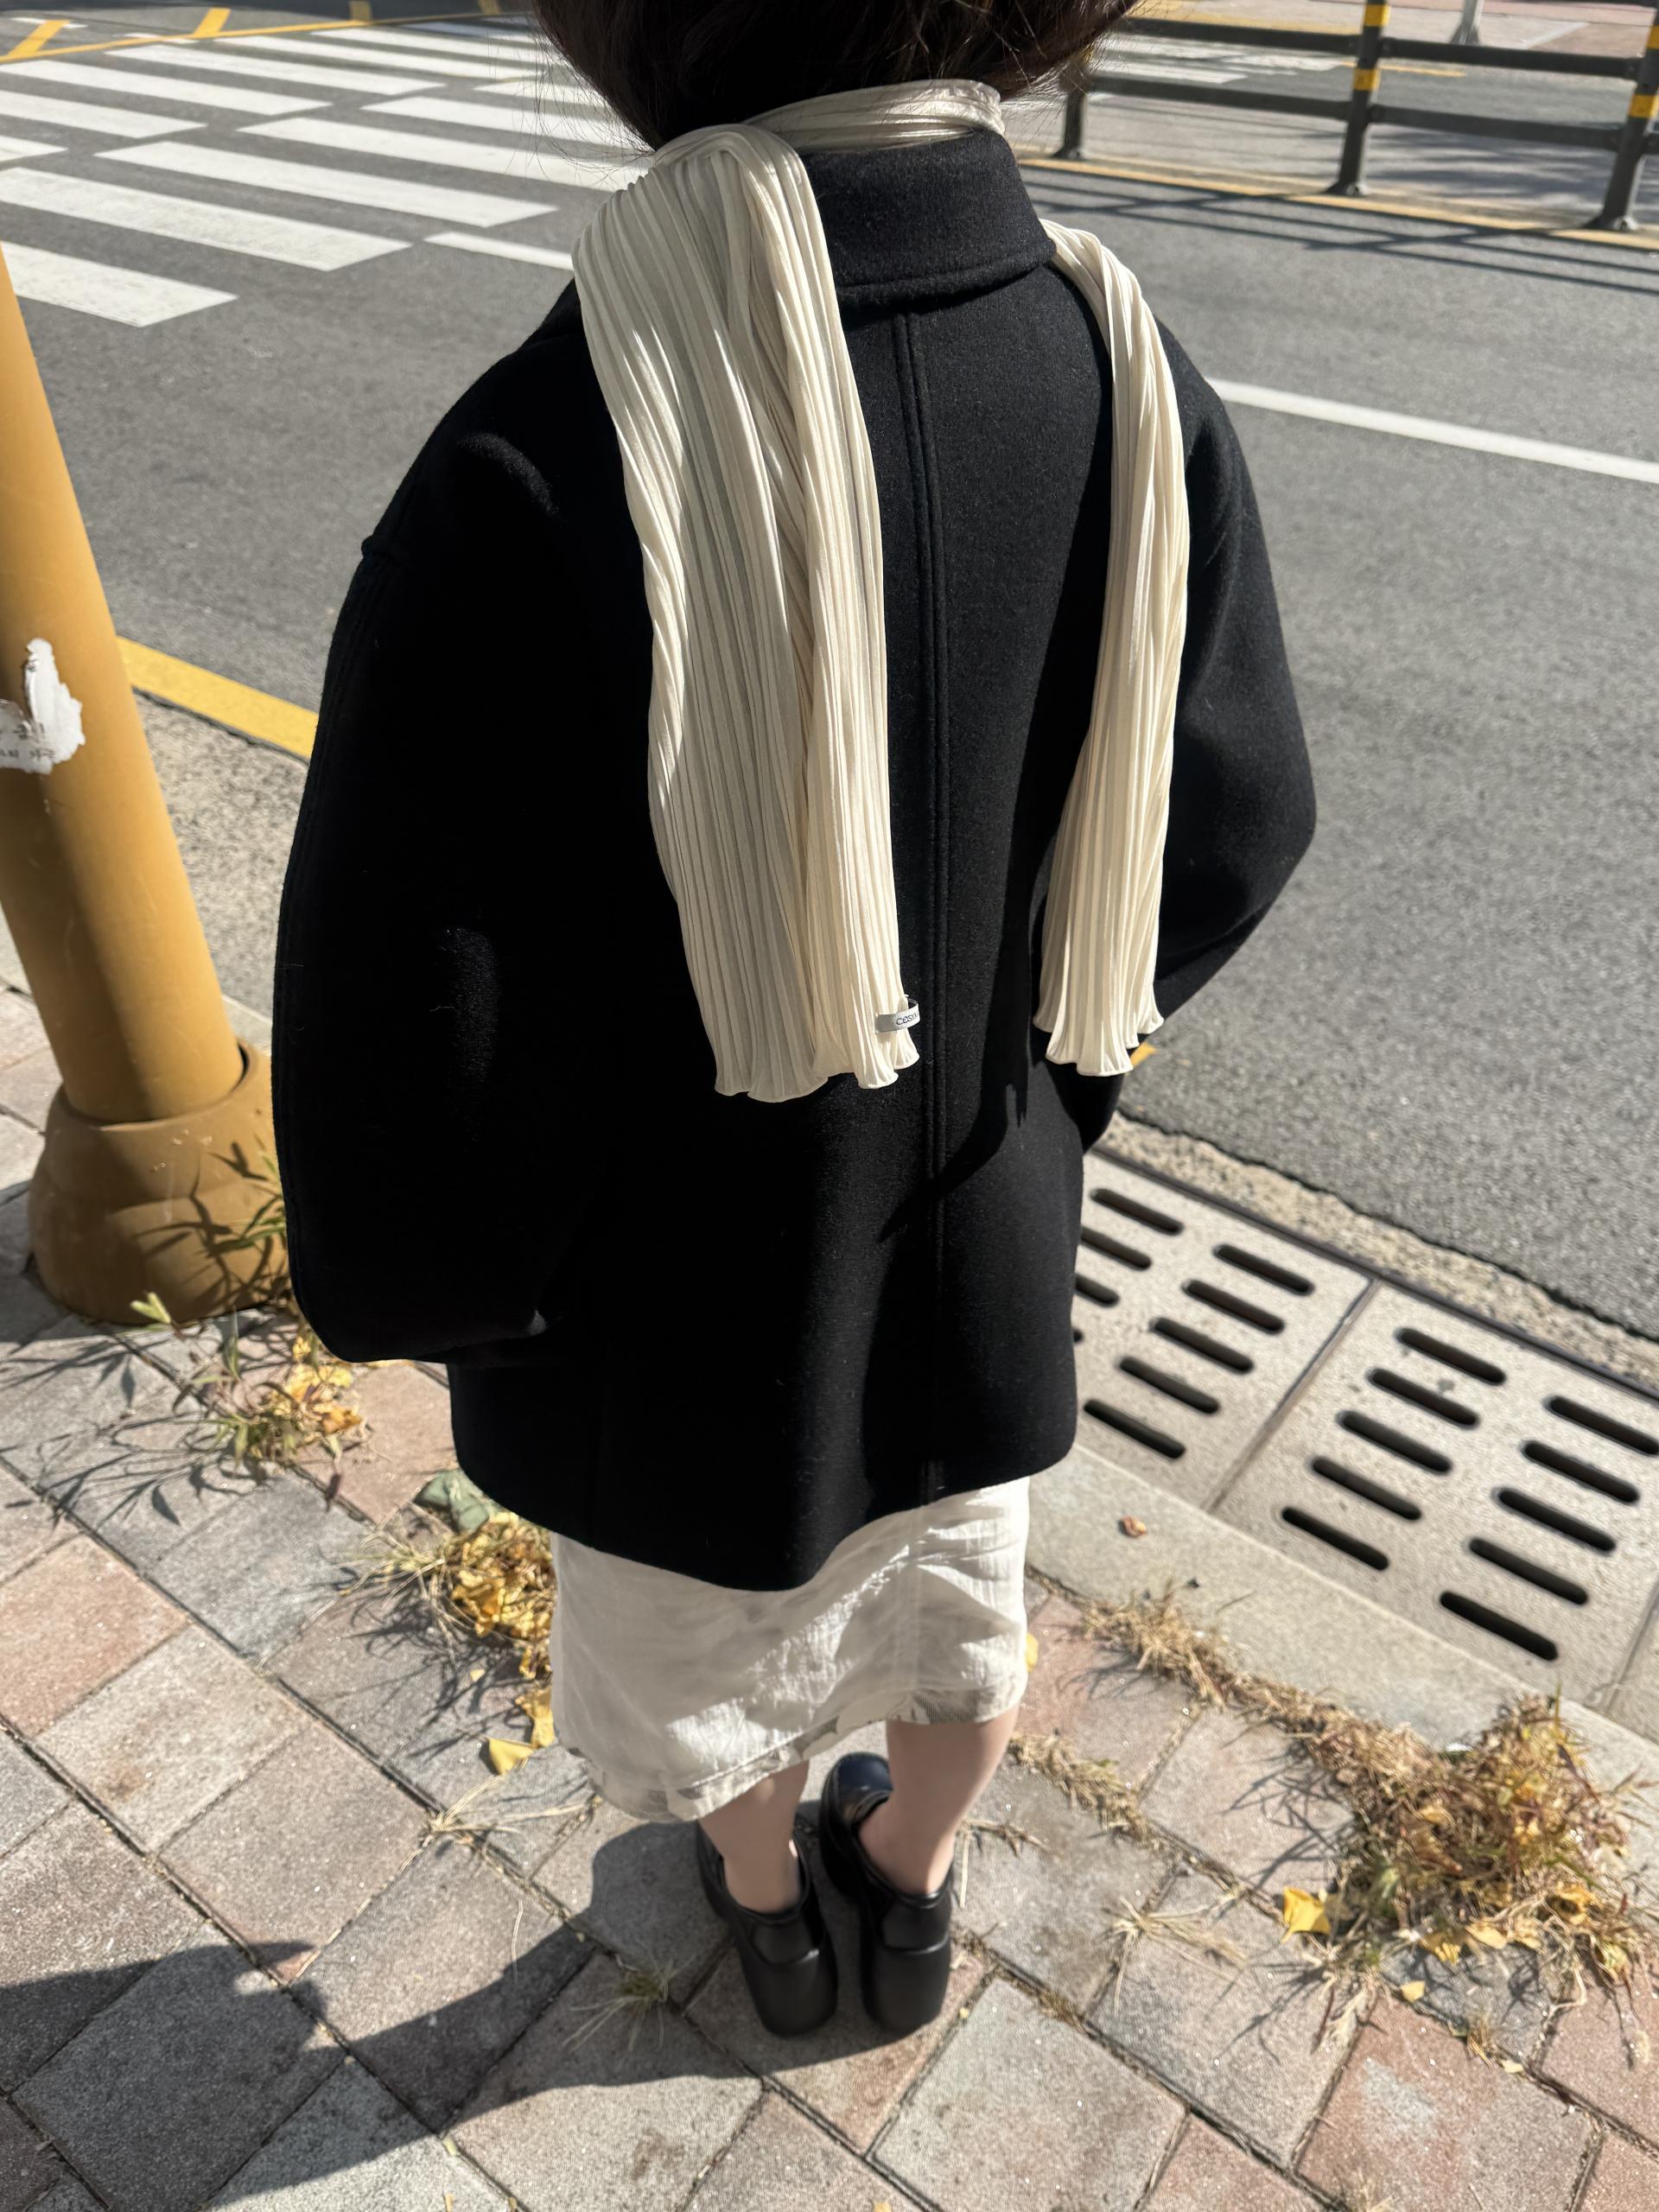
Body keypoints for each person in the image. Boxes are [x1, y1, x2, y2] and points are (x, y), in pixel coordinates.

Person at [270, 0, 1316, 2043]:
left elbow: (421, 992)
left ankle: (765, 1909)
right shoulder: (1121, 362)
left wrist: (453, 1287)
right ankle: (905, 1892)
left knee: (710, 1676)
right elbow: (1236, 813)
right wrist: (1054, 1078)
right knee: (960, 1624)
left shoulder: (555, 435)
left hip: (667, 1317)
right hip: (980, 1231)